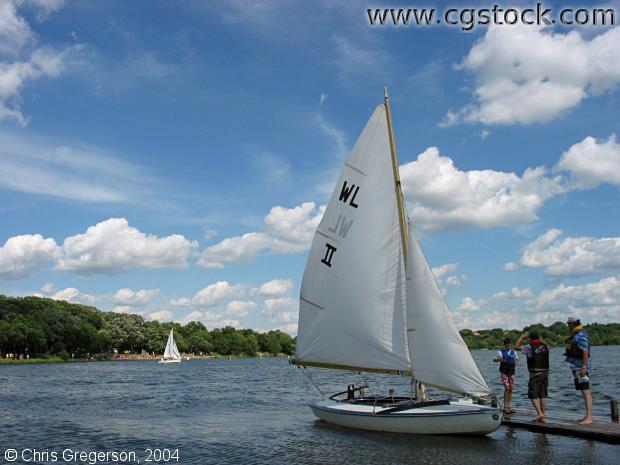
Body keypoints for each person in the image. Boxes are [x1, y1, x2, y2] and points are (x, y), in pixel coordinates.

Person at [516, 331, 550, 422]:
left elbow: (516, 347)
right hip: (545, 372)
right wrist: (541, 339)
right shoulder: (546, 346)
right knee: (543, 394)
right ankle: (543, 415)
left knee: (532, 394)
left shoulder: (529, 347)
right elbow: (547, 345)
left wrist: (522, 337)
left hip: (535, 373)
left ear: (530, 338)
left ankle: (539, 413)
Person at [565, 317, 593, 425]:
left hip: (581, 367)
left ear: (573, 324)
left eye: (568, 323)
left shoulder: (580, 335)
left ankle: (589, 417)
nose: (567, 325)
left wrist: (584, 367)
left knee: (586, 391)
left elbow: (585, 351)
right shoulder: (575, 334)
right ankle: (587, 416)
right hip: (576, 367)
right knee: (583, 390)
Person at [493, 338, 518, 414]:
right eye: (508, 345)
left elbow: (516, 359)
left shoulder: (514, 352)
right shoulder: (500, 352)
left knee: (511, 388)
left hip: (511, 372)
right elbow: (494, 360)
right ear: (505, 345)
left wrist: (516, 362)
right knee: (507, 388)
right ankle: (505, 406)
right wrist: (499, 360)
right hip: (504, 371)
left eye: (510, 345)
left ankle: (509, 406)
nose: (509, 346)